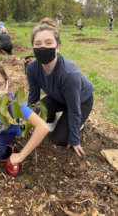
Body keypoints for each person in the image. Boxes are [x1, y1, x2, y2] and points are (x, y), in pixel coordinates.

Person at [26, 23, 94, 157]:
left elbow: (74, 108)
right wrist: (31, 121)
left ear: (57, 47)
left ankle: (77, 125)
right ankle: (54, 119)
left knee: (60, 139)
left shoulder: (69, 74)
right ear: (33, 47)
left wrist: (74, 138)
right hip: (57, 96)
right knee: (38, 110)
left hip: (81, 100)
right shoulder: (32, 68)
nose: (43, 47)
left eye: (48, 42)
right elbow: (33, 95)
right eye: (38, 44)